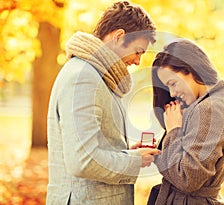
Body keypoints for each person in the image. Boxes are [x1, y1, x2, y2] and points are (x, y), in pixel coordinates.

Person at [46, 1, 161, 204]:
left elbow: (92, 146)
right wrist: (134, 161)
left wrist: (126, 153)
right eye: (138, 51)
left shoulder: (97, 75)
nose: (137, 61)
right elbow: (82, 160)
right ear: (118, 37)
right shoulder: (84, 77)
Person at [148, 39, 224, 205]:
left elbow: (188, 179)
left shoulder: (210, 108)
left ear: (191, 69)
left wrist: (173, 130)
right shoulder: (203, 105)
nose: (172, 93)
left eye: (172, 83)